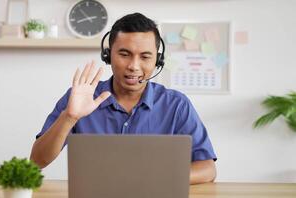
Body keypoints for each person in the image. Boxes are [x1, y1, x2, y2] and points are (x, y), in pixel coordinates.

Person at [30, 13, 217, 185]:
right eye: (124, 54)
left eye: (145, 56)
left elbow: (208, 169)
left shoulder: (176, 104)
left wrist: (152, 179)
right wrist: (69, 117)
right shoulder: (79, 98)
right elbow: (37, 161)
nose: (134, 66)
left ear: (157, 61)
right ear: (108, 55)